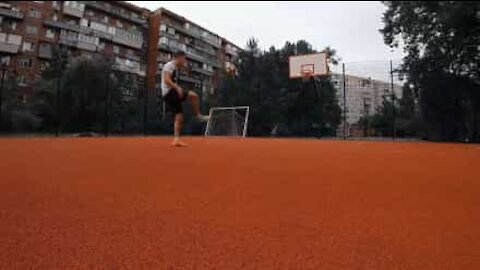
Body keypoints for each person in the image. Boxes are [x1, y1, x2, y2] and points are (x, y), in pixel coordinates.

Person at [161, 51, 209, 147]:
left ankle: (177, 139)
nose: (184, 61)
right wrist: (177, 87)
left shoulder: (175, 67)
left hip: (171, 92)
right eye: (183, 59)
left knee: (183, 110)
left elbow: (183, 69)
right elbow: (166, 80)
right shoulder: (169, 65)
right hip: (170, 92)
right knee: (189, 101)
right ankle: (197, 116)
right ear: (178, 58)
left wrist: (187, 69)